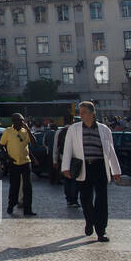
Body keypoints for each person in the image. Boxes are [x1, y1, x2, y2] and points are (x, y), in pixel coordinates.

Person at [60, 101, 122, 242]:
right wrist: (65, 167)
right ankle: (89, 220)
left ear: (92, 113)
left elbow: (110, 150)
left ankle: (101, 230)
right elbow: (68, 148)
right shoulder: (74, 129)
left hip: (99, 165)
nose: (80, 115)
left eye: (83, 112)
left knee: (101, 199)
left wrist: (116, 170)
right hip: (83, 167)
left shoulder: (104, 129)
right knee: (85, 198)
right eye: (80, 112)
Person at [0, 114, 36, 216]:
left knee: (28, 187)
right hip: (14, 163)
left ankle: (28, 209)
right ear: (14, 121)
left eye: (23, 121)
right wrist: (7, 157)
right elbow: (1, 145)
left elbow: (34, 143)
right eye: (20, 121)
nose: (22, 123)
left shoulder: (25, 131)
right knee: (14, 186)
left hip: (25, 162)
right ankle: (11, 206)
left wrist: (28, 130)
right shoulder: (8, 131)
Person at [53, 119, 78, 208]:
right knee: (75, 180)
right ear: (73, 121)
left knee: (66, 180)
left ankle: (68, 200)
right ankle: (74, 200)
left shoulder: (59, 132)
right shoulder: (75, 130)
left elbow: (55, 147)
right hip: (75, 159)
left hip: (62, 158)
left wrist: (55, 161)